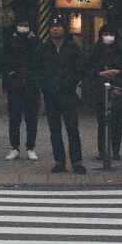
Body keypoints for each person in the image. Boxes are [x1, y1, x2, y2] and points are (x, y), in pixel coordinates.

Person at [36, 15, 86, 174]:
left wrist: (70, 84)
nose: (55, 29)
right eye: (52, 27)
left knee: (72, 129)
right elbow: (39, 71)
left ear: (64, 29)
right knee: (54, 130)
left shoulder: (72, 48)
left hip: (68, 95)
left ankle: (76, 161)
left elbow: (79, 69)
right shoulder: (44, 48)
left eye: (58, 27)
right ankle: (59, 161)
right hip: (51, 96)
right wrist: (45, 87)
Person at [87, 24, 122, 161]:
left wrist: (118, 72)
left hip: (118, 89)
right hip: (101, 89)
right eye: (105, 34)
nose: (108, 37)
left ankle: (116, 150)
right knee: (102, 121)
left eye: (111, 34)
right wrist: (100, 73)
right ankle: (102, 150)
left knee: (117, 121)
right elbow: (89, 69)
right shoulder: (96, 51)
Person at [2, 18, 40, 161]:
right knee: (14, 118)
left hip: (31, 85)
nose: (23, 28)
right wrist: (10, 76)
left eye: (26, 25)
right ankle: (15, 148)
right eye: (21, 25)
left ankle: (30, 147)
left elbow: (40, 62)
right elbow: (4, 61)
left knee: (31, 118)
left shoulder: (36, 41)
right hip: (15, 85)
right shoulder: (10, 41)